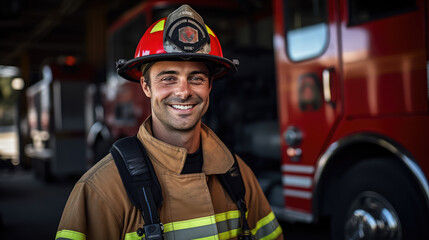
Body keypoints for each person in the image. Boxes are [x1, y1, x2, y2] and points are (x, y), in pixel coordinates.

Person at [56, 4, 283, 240]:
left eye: (196, 78)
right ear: (146, 86)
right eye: (168, 78)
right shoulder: (100, 189)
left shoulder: (238, 175)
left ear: (210, 86)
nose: (183, 92)